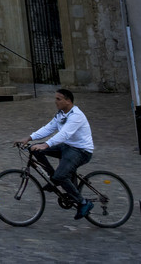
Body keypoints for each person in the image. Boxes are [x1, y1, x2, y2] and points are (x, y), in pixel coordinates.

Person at [18, 87, 95, 219]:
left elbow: (64, 134)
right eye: (55, 99)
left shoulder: (76, 115)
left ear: (68, 101)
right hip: (67, 147)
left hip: (81, 151)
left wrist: (46, 144)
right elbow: (49, 128)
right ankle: (53, 177)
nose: (55, 102)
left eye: (58, 99)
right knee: (35, 149)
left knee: (61, 175)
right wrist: (30, 138)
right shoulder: (60, 114)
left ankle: (83, 202)